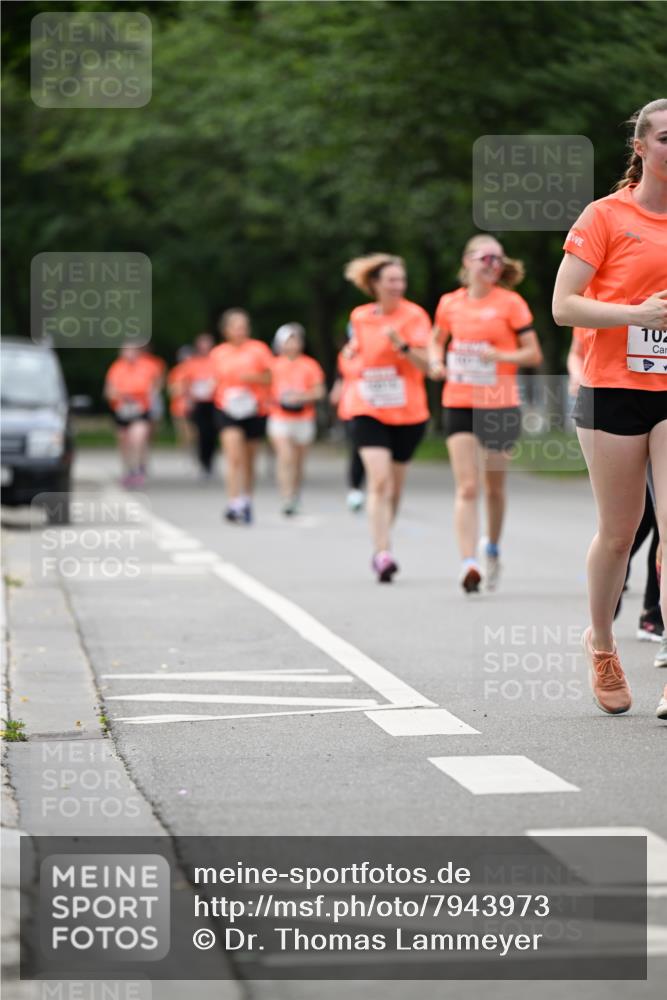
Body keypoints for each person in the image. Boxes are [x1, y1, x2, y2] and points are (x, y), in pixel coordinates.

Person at [552, 98, 667, 721]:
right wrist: (636, 315)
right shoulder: (605, 216)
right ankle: (601, 641)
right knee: (620, 533)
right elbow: (564, 307)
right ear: (642, 148)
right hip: (614, 388)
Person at [429, 235, 543, 593]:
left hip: (500, 403)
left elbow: (533, 354)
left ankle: (491, 548)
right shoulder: (449, 303)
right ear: (467, 262)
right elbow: (436, 339)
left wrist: (502, 357)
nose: (493, 265)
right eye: (485, 258)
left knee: (494, 487)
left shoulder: (511, 303)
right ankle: (468, 563)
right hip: (460, 400)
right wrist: (434, 360)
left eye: (498, 259)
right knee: (467, 486)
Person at [343, 253, 431, 583]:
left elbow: (427, 364)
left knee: (394, 488)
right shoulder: (360, 317)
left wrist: (403, 346)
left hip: (408, 411)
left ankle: (383, 541)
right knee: (379, 481)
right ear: (375, 284)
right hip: (368, 407)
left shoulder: (415, 316)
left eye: (401, 280)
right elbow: (353, 353)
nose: (398, 286)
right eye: (391, 280)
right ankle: (383, 553)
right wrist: (348, 355)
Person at [210, 309, 273, 524]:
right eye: (235, 326)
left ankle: (246, 499)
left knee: (248, 459)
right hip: (227, 408)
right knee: (233, 455)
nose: (240, 330)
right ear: (225, 330)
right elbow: (213, 380)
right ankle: (233, 502)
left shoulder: (258, 349)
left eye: (243, 326)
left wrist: (252, 377)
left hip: (254, 409)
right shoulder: (218, 353)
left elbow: (270, 377)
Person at [267, 323, 326, 515]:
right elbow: (264, 390)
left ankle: (296, 492)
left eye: (296, 340)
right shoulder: (273, 365)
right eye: (288, 341)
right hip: (280, 416)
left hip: (303, 416)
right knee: (285, 457)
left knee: (299, 461)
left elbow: (319, 391)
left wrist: (300, 397)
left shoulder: (310, 365)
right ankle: (287, 497)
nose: (292, 345)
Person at [104, 344, 155, 488]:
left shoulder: (146, 367)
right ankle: (128, 469)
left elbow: (153, 387)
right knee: (123, 441)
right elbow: (109, 391)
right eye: (127, 351)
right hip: (122, 411)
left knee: (138, 438)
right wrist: (119, 395)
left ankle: (139, 468)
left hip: (140, 410)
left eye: (133, 351)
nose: (130, 354)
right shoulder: (116, 368)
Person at [331, 337, 366, 512]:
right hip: (351, 409)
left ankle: (375, 488)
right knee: (357, 450)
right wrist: (336, 392)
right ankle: (355, 488)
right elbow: (341, 377)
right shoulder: (347, 354)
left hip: (377, 408)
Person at [186, 332, 218, 478]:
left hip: (214, 402)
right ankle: (202, 461)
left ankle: (210, 461)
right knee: (201, 433)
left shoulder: (217, 361)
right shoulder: (192, 362)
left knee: (212, 433)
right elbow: (186, 382)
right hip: (198, 403)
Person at [167, 346, 195, 453]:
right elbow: (171, 390)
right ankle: (185, 452)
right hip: (178, 407)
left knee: (193, 431)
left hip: (193, 407)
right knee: (182, 431)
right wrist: (182, 388)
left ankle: (193, 451)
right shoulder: (176, 372)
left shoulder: (196, 370)